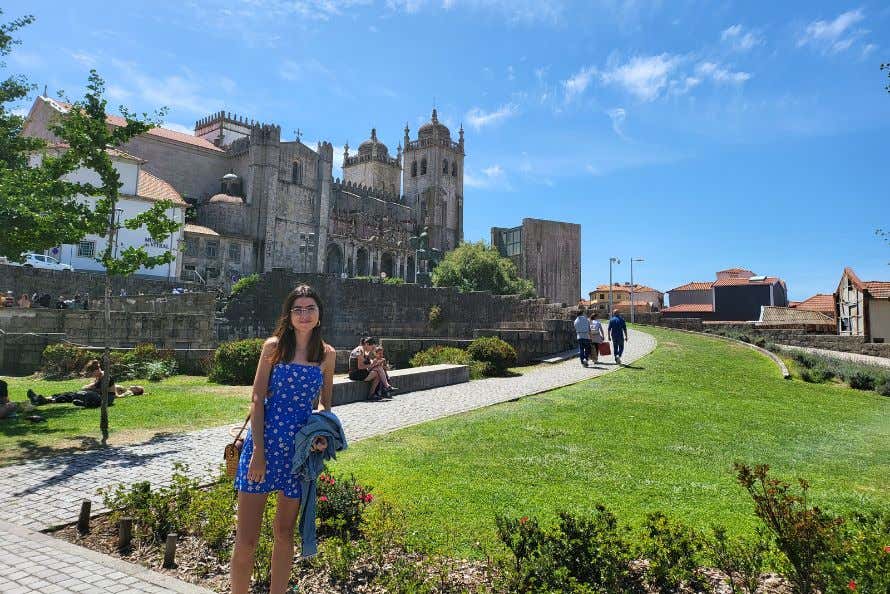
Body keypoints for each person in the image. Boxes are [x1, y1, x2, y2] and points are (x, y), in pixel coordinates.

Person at [231, 284, 336, 594]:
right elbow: (256, 398)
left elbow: (324, 403)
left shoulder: (326, 354)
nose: (304, 315)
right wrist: (258, 452)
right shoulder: (273, 347)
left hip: (298, 452)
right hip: (264, 445)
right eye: (298, 309)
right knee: (247, 539)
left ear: (319, 315)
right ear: (289, 316)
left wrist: (320, 433)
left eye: (310, 309)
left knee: (284, 532)